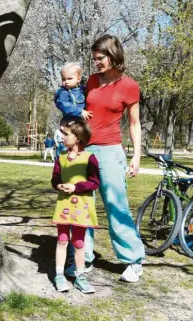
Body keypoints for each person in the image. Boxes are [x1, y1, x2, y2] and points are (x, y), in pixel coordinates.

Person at [64, 34, 146, 283]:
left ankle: (133, 259)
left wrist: (136, 156)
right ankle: (83, 256)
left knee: (115, 205)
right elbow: (75, 109)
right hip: (85, 151)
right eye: (94, 59)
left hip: (111, 151)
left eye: (100, 58)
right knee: (81, 205)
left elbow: (134, 123)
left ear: (113, 55)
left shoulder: (129, 85)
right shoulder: (89, 81)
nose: (96, 63)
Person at [51, 119, 100, 293]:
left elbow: (94, 183)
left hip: (82, 207)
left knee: (79, 242)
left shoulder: (90, 158)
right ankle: (59, 275)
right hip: (64, 204)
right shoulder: (60, 157)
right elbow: (55, 179)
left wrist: (76, 187)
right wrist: (59, 186)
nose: (62, 137)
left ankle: (80, 277)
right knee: (62, 240)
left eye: (66, 134)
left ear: (78, 137)